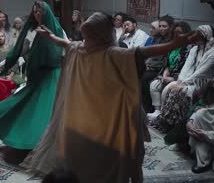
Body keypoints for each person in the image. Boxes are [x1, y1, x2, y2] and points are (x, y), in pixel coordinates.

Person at [22, 12, 200, 183]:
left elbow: (145, 51)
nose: (85, 41)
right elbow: (66, 43)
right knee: (97, 157)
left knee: (129, 157)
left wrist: (173, 45)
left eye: (89, 36)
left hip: (112, 116)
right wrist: (50, 36)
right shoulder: (83, 50)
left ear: (100, 36)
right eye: (84, 36)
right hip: (95, 116)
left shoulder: (111, 53)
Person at [0, 0, 66, 150]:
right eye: (35, 12)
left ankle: (48, 144)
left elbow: (66, 49)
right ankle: (27, 139)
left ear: (47, 13)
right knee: (26, 104)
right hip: (37, 76)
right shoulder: (32, 31)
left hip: (53, 76)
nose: (38, 14)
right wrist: (0, 65)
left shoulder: (58, 30)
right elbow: (19, 50)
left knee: (47, 110)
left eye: (41, 11)